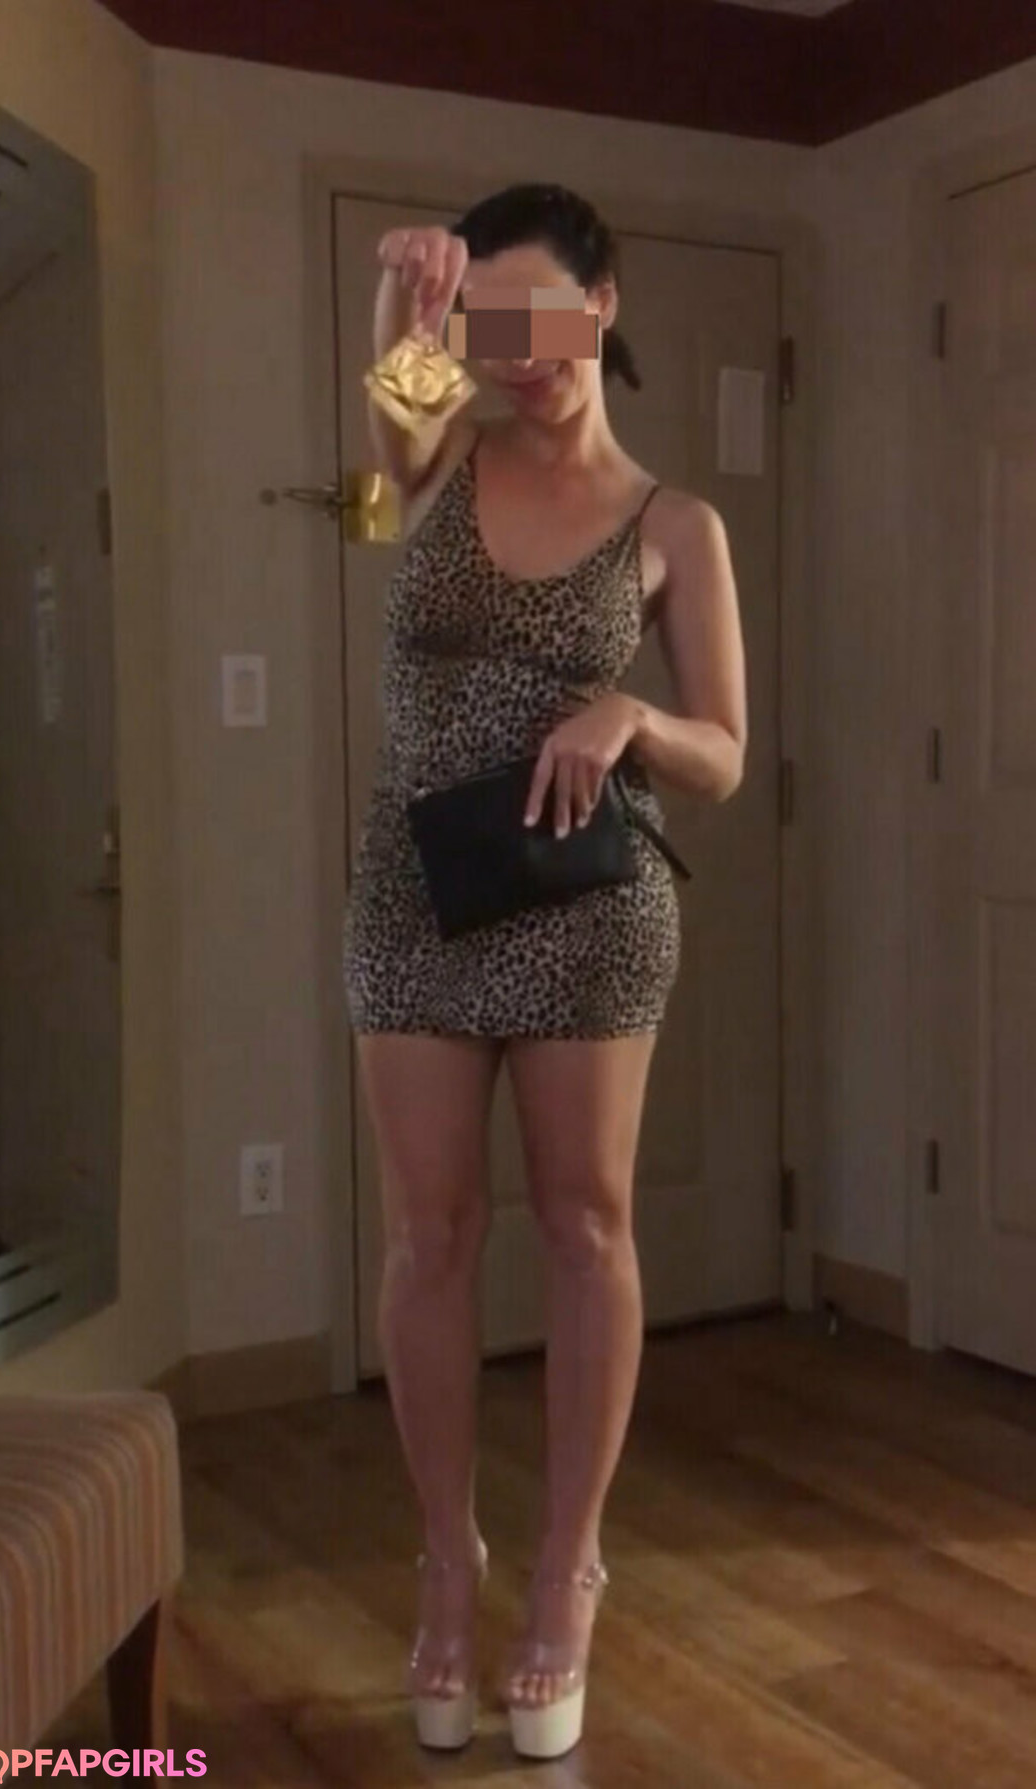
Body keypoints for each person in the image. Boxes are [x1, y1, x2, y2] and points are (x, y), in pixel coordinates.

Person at [342, 183, 747, 1761]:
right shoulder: (443, 454)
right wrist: (407, 299)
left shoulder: (676, 525)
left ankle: (569, 1572)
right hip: (413, 898)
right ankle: (448, 1562)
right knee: (429, 1235)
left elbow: (724, 751)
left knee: (586, 1226)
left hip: (590, 911)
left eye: (541, 317)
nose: (517, 353)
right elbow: (391, 435)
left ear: (603, 302)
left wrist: (631, 714)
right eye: (488, 323)